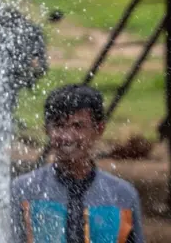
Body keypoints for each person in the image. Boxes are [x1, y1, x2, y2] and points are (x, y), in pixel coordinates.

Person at [10, 84, 145, 243]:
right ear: (46, 129)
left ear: (99, 129)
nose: (67, 136)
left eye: (78, 126)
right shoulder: (25, 190)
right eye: (59, 126)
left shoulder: (122, 196)